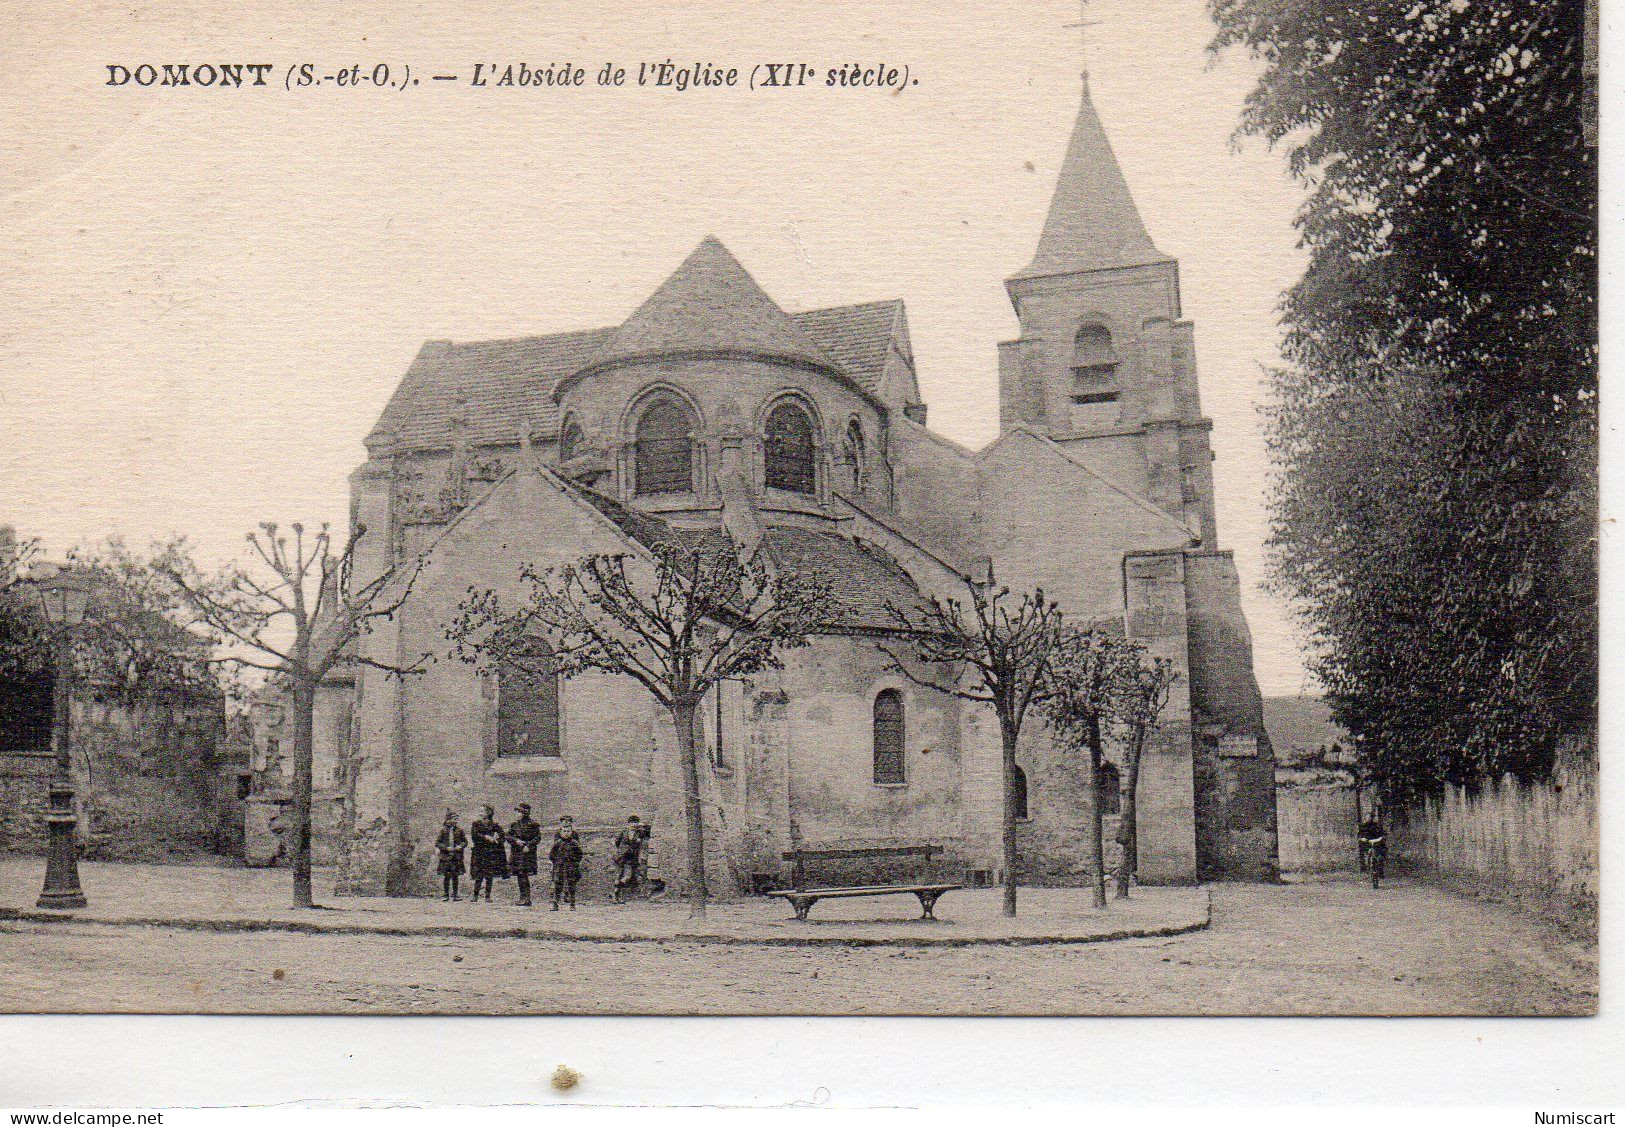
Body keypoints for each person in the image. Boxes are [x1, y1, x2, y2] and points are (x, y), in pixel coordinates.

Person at [468, 804, 509, 903]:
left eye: (482, 811)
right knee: (478, 874)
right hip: (479, 852)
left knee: (489, 875)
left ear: (488, 813)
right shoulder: (476, 824)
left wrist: (496, 839)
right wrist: (485, 837)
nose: (480, 813)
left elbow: (503, 835)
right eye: (479, 811)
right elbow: (474, 835)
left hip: (491, 853)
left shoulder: (494, 825)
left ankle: (487, 896)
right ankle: (475, 895)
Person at [507, 803, 542, 907]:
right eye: (517, 812)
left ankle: (526, 898)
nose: (517, 814)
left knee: (524, 874)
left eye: (519, 812)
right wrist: (516, 840)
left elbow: (537, 838)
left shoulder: (533, 824)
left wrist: (529, 845)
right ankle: (523, 898)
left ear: (524, 813)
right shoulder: (514, 824)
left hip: (527, 854)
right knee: (519, 874)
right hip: (516, 853)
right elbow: (508, 836)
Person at [549, 815, 585, 910]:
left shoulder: (574, 843)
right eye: (564, 831)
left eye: (568, 831)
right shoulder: (558, 843)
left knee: (572, 884)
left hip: (571, 866)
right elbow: (551, 855)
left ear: (571, 832)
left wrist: (574, 862)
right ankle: (555, 903)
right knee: (558, 883)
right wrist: (556, 863)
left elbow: (579, 854)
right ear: (560, 832)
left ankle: (572, 904)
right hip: (559, 866)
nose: (566, 833)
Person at [612, 815, 648, 904]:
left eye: (635, 822)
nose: (633, 824)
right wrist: (621, 850)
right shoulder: (623, 831)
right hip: (620, 857)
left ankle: (614, 893)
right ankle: (616, 896)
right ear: (628, 823)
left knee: (627, 877)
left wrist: (641, 826)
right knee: (618, 876)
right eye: (631, 822)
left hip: (630, 858)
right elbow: (617, 841)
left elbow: (648, 830)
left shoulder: (639, 833)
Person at [434, 811, 467, 901]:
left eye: (457, 819)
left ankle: (455, 895)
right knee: (447, 877)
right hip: (446, 857)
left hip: (456, 857)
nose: (456, 821)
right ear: (448, 820)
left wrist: (460, 846)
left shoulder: (459, 830)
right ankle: (446, 895)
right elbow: (437, 843)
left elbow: (465, 841)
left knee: (455, 877)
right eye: (454, 819)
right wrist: (446, 848)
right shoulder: (443, 830)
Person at [1358, 812, 1387, 889]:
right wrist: (1362, 839)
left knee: (1380, 856)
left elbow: (1382, 835)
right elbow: (1360, 836)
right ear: (1365, 818)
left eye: (1370, 817)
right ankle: (1364, 867)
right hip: (1367, 844)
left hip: (1376, 844)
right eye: (1367, 817)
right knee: (1365, 854)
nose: (1368, 819)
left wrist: (1379, 839)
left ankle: (1380, 871)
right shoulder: (1363, 827)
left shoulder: (1376, 826)